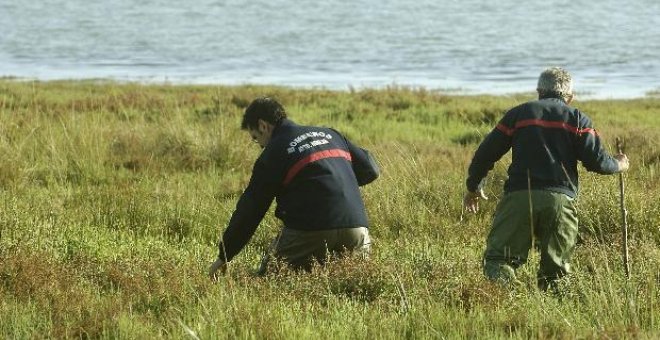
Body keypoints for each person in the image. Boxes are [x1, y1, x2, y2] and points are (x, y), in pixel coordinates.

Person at [463, 67, 630, 291]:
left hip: (518, 199)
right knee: (557, 275)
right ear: (570, 97)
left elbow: (485, 153)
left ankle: (501, 305)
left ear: (539, 92)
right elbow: (598, 163)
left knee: (499, 261)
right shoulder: (578, 119)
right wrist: (620, 164)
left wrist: (473, 187)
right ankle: (553, 315)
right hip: (561, 202)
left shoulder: (519, 114)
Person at [209, 97, 379, 280]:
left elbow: (251, 209)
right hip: (357, 228)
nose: (259, 145)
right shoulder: (331, 134)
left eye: (256, 138)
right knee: (355, 279)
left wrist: (225, 254)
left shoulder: (274, 152)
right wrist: (341, 183)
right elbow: (371, 169)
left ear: (263, 126)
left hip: (310, 230)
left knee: (270, 280)